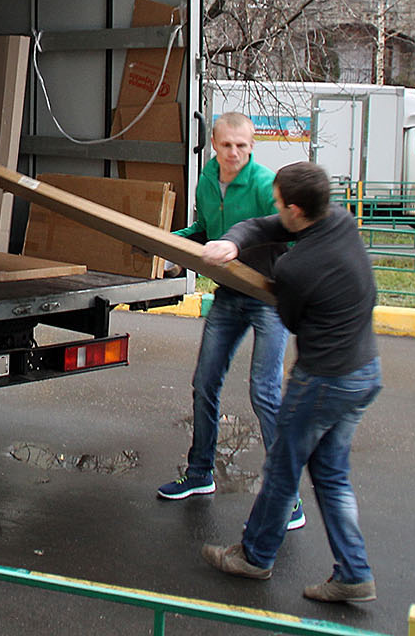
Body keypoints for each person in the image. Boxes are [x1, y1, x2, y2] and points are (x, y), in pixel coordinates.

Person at [198, 161, 383, 604]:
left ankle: (255, 556)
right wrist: (233, 241)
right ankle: (354, 573)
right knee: (331, 474)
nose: (275, 208)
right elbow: (264, 226)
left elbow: (291, 319)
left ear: (297, 210)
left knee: (282, 466)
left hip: (324, 379)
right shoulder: (340, 222)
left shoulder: (297, 268)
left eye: (280, 202)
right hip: (364, 371)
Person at [157, 112, 301, 531]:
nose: (234, 152)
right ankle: (200, 473)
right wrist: (168, 246)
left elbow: (291, 236)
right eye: (226, 145)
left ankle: (287, 497)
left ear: (251, 146)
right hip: (228, 296)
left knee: (265, 393)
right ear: (214, 145)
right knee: (204, 382)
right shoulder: (206, 180)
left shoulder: (264, 185)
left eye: (242, 145)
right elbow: (206, 229)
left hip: (266, 298)